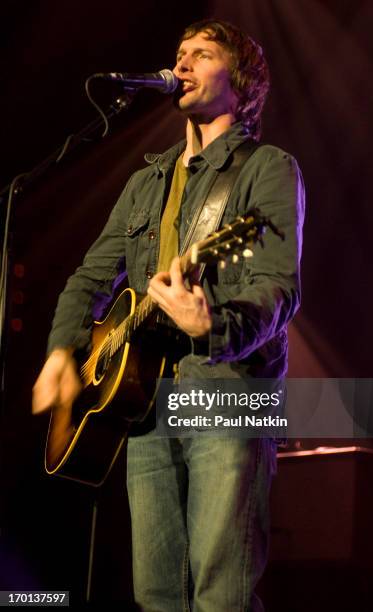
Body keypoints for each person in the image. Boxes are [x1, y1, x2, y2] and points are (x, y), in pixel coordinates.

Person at [32, 19, 305, 611]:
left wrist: (213, 325)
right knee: (155, 595)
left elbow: (278, 288)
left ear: (241, 82)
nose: (179, 65)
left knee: (220, 592)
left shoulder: (268, 168)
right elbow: (89, 277)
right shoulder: (145, 183)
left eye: (200, 55)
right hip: (145, 402)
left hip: (230, 391)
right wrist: (61, 351)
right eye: (178, 55)